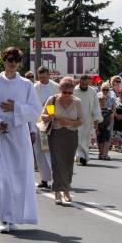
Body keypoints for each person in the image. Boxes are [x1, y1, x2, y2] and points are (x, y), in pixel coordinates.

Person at [0, 47, 39, 233]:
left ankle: (17, 216)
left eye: (15, 60)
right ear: (4, 61)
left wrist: (16, 107)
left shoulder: (26, 85)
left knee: (20, 177)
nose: (12, 63)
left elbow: (36, 110)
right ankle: (5, 218)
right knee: (3, 178)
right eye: (9, 59)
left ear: (19, 63)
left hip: (20, 137)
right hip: (2, 137)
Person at [41, 77, 83, 205]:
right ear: (60, 90)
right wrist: (49, 116)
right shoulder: (53, 100)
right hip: (56, 133)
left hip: (71, 134)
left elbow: (81, 121)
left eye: (70, 93)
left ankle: (66, 189)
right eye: (65, 92)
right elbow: (43, 116)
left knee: (68, 163)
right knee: (57, 163)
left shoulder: (77, 102)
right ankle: (57, 192)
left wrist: (70, 122)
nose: (67, 95)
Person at [32, 66, 59, 188]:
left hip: (50, 123)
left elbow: (57, 103)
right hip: (37, 122)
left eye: (44, 77)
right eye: (40, 77)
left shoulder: (55, 87)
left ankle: (56, 178)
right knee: (39, 152)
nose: (42, 79)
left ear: (49, 75)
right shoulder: (34, 87)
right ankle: (44, 178)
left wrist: (48, 109)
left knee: (49, 151)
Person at [73, 74, 102, 165]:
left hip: (88, 119)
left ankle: (84, 156)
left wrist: (96, 119)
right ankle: (80, 155)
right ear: (80, 82)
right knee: (77, 138)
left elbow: (96, 106)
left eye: (86, 84)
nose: (84, 86)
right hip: (76, 119)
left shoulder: (92, 91)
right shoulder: (75, 91)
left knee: (86, 138)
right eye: (83, 84)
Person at [96, 92, 114, 160]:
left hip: (107, 127)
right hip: (99, 127)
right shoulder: (97, 110)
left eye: (104, 100)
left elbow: (112, 119)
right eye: (101, 101)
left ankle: (105, 154)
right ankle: (101, 153)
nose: (103, 102)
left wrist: (110, 126)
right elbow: (95, 120)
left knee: (106, 141)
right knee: (100, 141)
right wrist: (96, 129)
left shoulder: (109, 110)